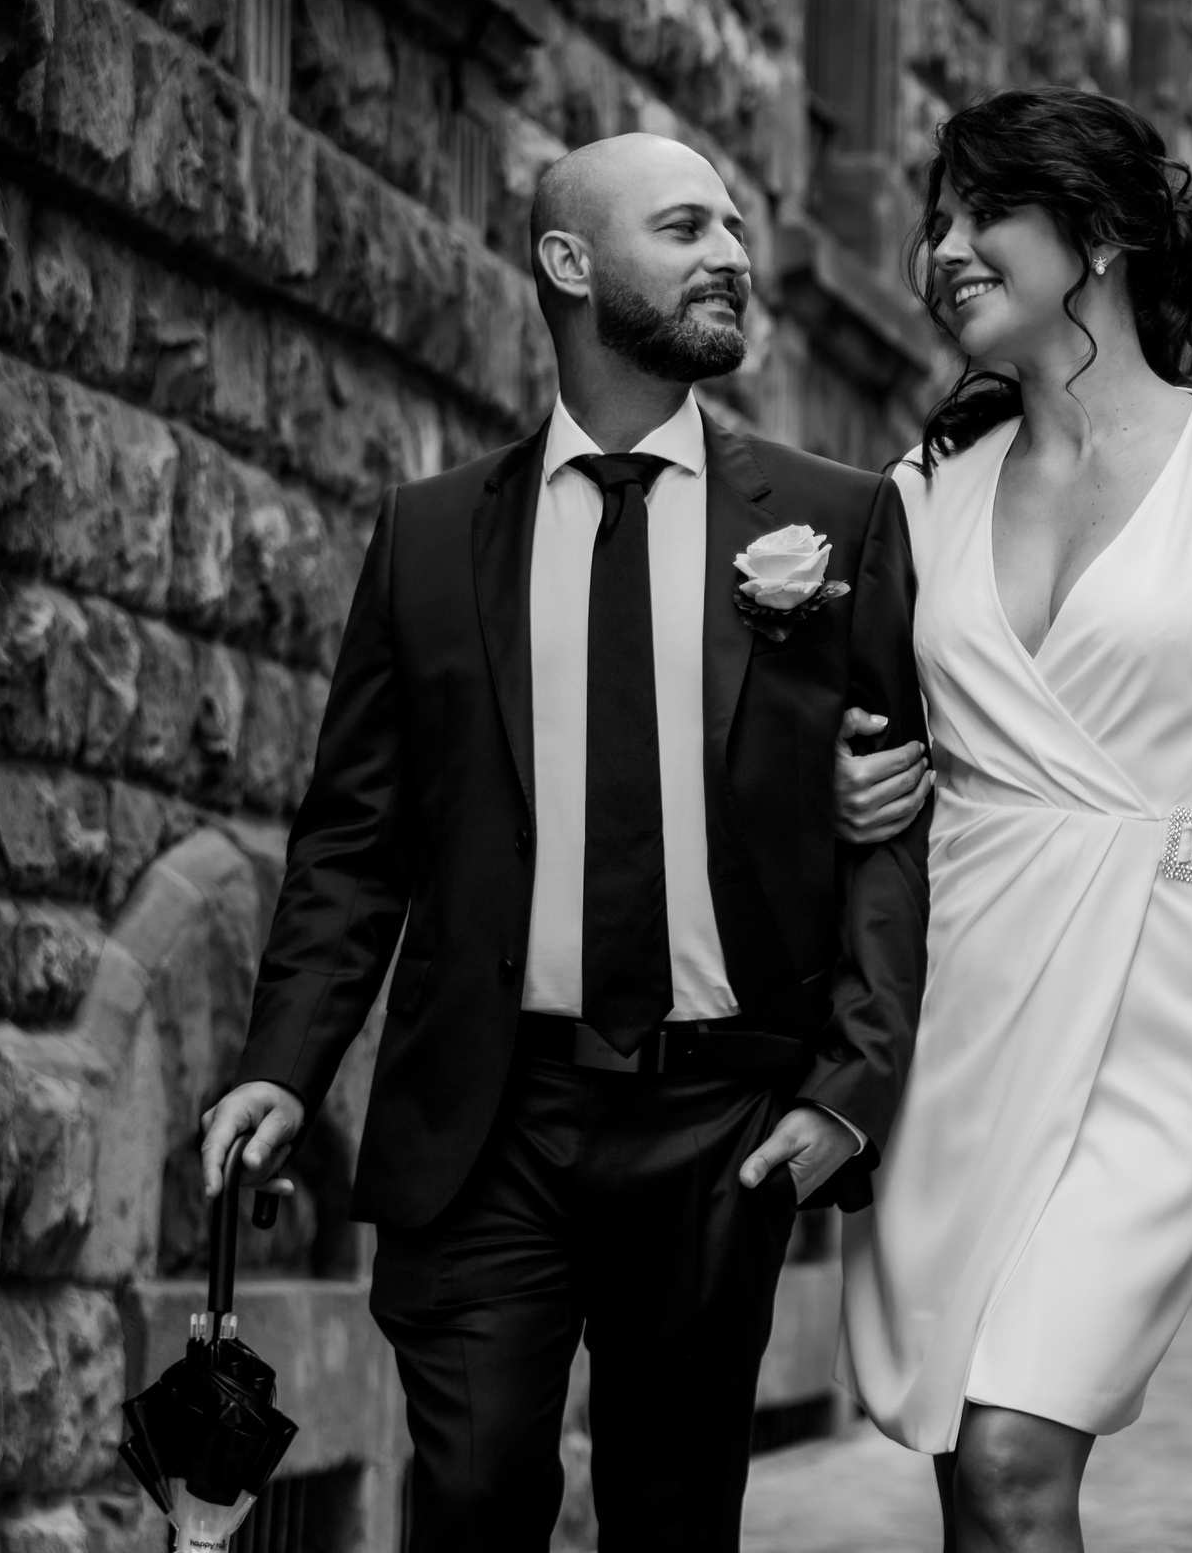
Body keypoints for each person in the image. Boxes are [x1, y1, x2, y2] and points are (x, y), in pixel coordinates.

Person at [195, 134, 929, 1553]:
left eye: (733, 225)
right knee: (468, 1502)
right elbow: (355, 841)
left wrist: (848, 1086)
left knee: (671, 1517)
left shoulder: (837, 522)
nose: (729, 253)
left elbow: (887, 833)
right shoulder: (425, 539)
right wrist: (284, 1062)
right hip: (488, 1117)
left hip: (721, 1125)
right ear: (571, 263)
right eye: (685, 226)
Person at [830, 86, 1192, 1553]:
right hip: (962, 1001)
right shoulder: (923, 490)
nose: (943, 249)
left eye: (981, 214)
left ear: (1099, 236)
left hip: (1160, 994)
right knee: (966, 1458)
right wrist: (843, 782)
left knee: (1018, 1451)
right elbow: (873, 739)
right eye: (933, 221)